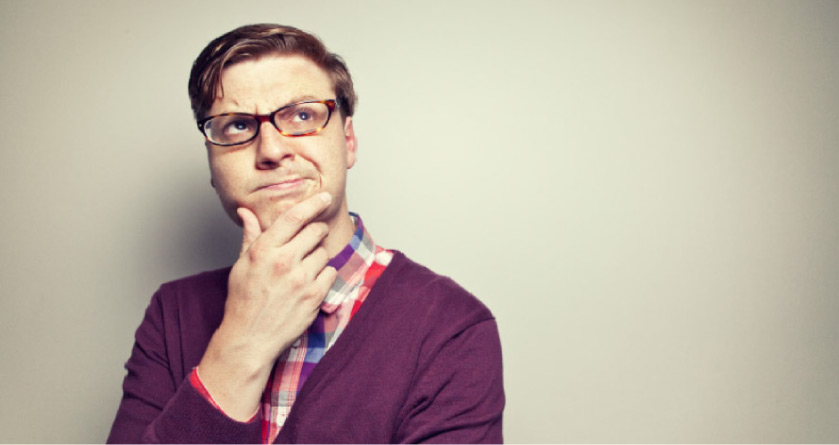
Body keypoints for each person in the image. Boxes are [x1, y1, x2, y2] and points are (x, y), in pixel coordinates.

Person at [107, 23, 504, 444]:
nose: (273, 150)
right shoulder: (172, 314)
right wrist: (243, 343)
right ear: (211, 161)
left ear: (348, 141)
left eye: (302, 115)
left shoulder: (451, 327)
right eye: (238, 126)